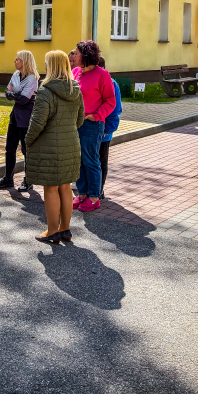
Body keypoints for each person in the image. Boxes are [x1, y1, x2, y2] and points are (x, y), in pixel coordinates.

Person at [25, 50, 84, 243]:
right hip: (71, 145)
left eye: (46, 63)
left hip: (50, 147)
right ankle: (65, 229)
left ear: (52, 66)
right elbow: (80, 120)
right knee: (66, 187)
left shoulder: (46, 91)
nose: (44, 66)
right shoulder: (76, 89)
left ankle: (52, 231)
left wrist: (27, 140)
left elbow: (37, 124)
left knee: (51, 188)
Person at [71, 40, 116, 212]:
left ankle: (94, 196)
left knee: (90, 160)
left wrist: (96, 116)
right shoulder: (76, 72)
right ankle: (82, 193)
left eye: (76, 53)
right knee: (78, 160)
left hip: (92, 124)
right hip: (76, 123)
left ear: (86, 55)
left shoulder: (102, 75)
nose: (73, 56)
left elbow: (110, 101)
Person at [0, 50, 39, 191]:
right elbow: (7, 94)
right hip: (15, 116)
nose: (15, 61)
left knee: (26, 150)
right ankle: (8, 178)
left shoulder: (32, 78)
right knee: (10, 148)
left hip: (26, 117)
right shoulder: (15, 75)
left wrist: (14, 93)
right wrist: (15, 94)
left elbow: (25, 99)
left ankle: (28, 180)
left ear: (24, 61)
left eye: (17, 59)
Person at [97, 57, 122, 200]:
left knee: (101, 160)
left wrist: (108, 129)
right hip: (90, 130)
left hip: (104, 131)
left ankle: (99, 189)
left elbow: (115, 110)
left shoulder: (111, 84)